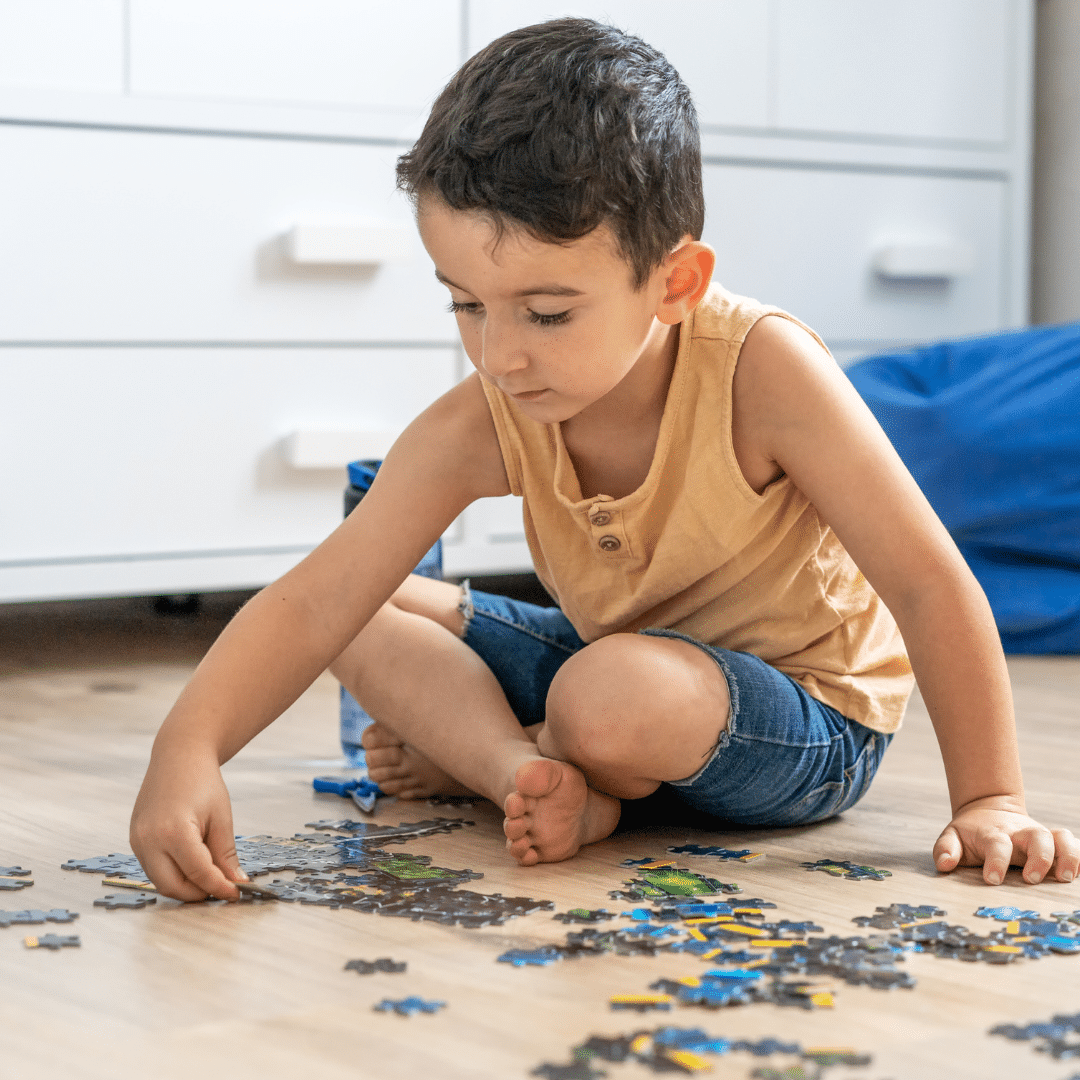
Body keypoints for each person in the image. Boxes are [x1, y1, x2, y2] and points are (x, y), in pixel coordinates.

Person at [130, 18, 1078, 900]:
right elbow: (316, 600)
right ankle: (522, 772)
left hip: (807, 719)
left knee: (606, 693)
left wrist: (990, 797)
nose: (500, 355)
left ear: (674, 283)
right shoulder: (487, 415)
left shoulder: (764, 372)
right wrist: (188, 747)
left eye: (546, 313)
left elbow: (926, 581)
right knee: (363, 614)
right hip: (608, 668)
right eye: (466, 304)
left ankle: (519, 749)